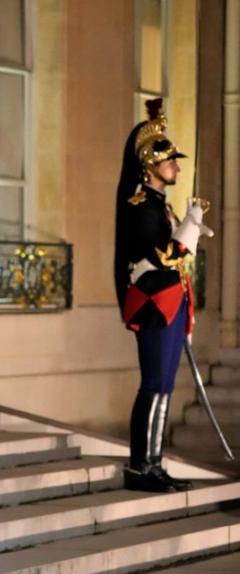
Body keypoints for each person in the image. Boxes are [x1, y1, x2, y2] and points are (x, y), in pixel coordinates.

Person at [114, 98, 212, 493]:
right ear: (150, 166)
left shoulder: (159, 204)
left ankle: (154, 462)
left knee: (166, 385)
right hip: (154, 303)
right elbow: (161, 256)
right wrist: (189, 229)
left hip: (171, 302)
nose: (176, 166)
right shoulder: (140, 205)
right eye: (169, 161)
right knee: (153, 382)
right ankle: (141, 465)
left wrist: (186, 224)